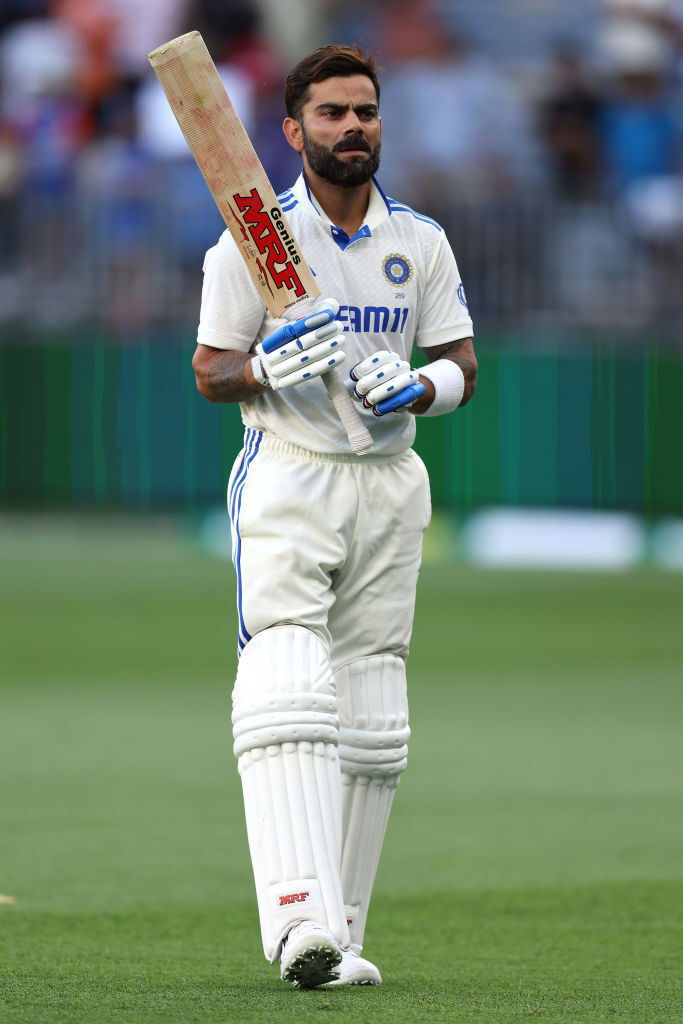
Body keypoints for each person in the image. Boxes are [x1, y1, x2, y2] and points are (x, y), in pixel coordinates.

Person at [191, 44, 477, 989]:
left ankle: (336, 938)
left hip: (389, 479)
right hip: (291, 470)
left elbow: (461, 365)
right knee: (286, 678)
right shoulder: (252, 238)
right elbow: (209, 372)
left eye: (365, 112)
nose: (351, 128)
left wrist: (419, 386)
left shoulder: (420, 240)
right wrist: (264, 367)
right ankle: (293, 918)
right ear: (293, 130)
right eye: (330, 114)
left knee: (373, 719)